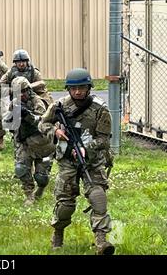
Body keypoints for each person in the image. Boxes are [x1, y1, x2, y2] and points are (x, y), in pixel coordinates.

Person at [38, 68, 115, 255]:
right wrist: (55, 132)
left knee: (98, 198)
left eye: (82, 87)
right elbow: (42, 124)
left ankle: (101, 242)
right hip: (67, 161)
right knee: (65, 204)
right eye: (74, 88)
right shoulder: (59, 106)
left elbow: (104, 140)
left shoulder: (100, 109)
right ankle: (58, 234)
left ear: (89, 88)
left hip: (92, 161)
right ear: (68, 89)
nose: (78, 92)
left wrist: (86, 148)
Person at [3, 77, 55, 206]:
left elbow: (43, 122)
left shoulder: (38, 102)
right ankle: (29, 194)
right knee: (21, 169)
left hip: (41, 143)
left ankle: (40, 189)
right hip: (24, 142)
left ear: (28, 90)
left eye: (23, 91)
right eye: (17, 92)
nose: (21, 95)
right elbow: (7, 122)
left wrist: (28, 115)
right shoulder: (14, 103)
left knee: (41, 176)